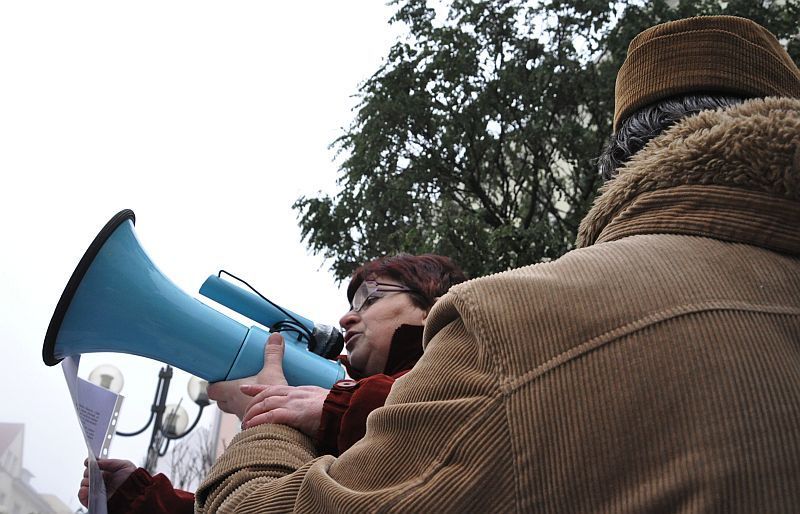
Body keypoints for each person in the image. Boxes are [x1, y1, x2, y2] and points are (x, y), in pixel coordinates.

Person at [195, 16, 800, 513]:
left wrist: (267, 421)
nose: (348, 320)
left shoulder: (509, 326)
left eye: (368, 300)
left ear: (619, 167)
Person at [77, 253, 465, 512]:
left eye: (368, 299)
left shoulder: (465, 364)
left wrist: (328, 408)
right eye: (348, 305)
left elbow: (443, 415)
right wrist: (138, 497)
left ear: (433, 304)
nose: (347, 318)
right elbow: (265, 504)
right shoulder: (342, 405)